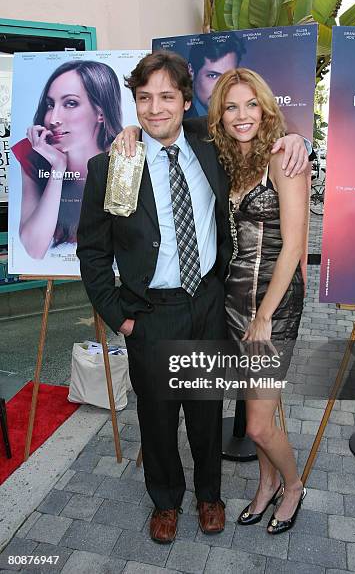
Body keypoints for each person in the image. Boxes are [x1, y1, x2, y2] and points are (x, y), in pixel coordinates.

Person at [78, 50, 310, 544]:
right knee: (157, 416)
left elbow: (259, 126)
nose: (155, 108)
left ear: (187, 102)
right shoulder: (113, 165)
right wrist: (119, 317)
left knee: (206, 412)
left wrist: (298, 139)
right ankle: (165, 501)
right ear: (134, 104)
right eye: (144, 99)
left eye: (167, 97)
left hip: (208, 302)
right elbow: (93, 254)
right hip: (149, 312)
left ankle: (211, 497)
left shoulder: (212, 143)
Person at [207, 68, 309, 534]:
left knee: (258, 425)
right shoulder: (235, 160)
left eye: (251, 104)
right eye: (231, 107)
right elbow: (168, 126)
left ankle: (293, 486)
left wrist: (265, 315)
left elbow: (292, 244)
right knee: (252, 409)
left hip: (274, 306)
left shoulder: (283, 158)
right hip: (234, 302)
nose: (242, 115)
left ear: (265, 107)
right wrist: (130, 129)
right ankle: (265, 485)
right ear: (221, 117)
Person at [12, 60, 122, 259]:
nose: (53, 118)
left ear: (100, 112)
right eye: (50, 104)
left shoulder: (123, 155)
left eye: (70, 103)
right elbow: (34, 249)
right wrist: (58, 168)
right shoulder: (34, 151)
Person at [186, 34, 245, 117]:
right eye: (212, 76)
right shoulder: (180, 119)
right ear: (191, 71)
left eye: (230, 76)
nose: (222, 86)